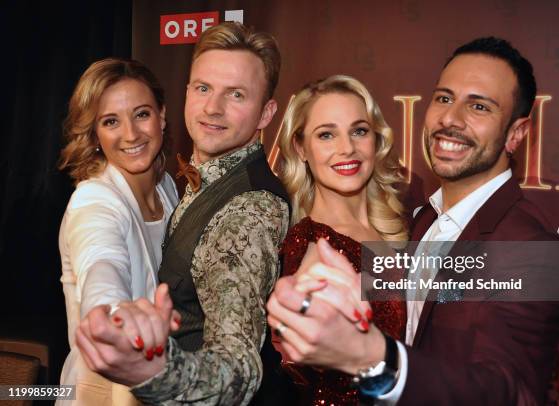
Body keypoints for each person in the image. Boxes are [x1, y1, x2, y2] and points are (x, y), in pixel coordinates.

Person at [267, 37, 559, 405]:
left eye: (479, 106)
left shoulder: (532, 249)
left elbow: (510, 392)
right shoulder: (422, 219)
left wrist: (375, 357)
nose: (450, 118)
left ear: (516, 134)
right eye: (444, 98)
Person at [74, 22, 291, 405]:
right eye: (203, 88)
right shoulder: (175, 186)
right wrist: (109, 314)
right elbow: (101, 259)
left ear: (265, 113)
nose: (212, 108)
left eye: (236, 94)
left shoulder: (248, 209)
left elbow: (238, 366)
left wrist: (155, 372)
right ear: (187, 91)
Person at [273, 74, 407, 405]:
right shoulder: (317, 249)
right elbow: (303, 363)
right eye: (326, 135)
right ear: (301, 148)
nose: (347, 148)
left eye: (359, 131)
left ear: (375, 139)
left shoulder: (393, 229)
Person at [57, 58, 178, 405]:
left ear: (162, 116)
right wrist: (113, 315)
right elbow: (101, 261)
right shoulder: (94, 200)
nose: (131, 134)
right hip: (100, 395)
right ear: (95, 134)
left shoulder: (167, 186)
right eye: (111, 121)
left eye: (142, 114)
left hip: (159, 386)